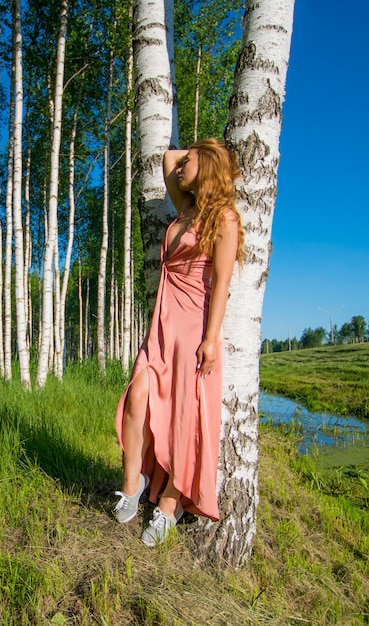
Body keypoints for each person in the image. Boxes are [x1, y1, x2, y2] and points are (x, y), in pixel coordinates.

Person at [113, 138, 245, 546]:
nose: (181, 164)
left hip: (192, 331)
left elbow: (221, 283)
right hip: (162, 327)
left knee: (184, 422)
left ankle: (169, 505)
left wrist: (209, 339)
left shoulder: (224, 219)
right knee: (137, 397)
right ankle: (133, 484)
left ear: (206, 168)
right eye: (186, 159)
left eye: (192, 161)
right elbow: (167, 159)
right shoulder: (185, 208)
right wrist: (199, 151)